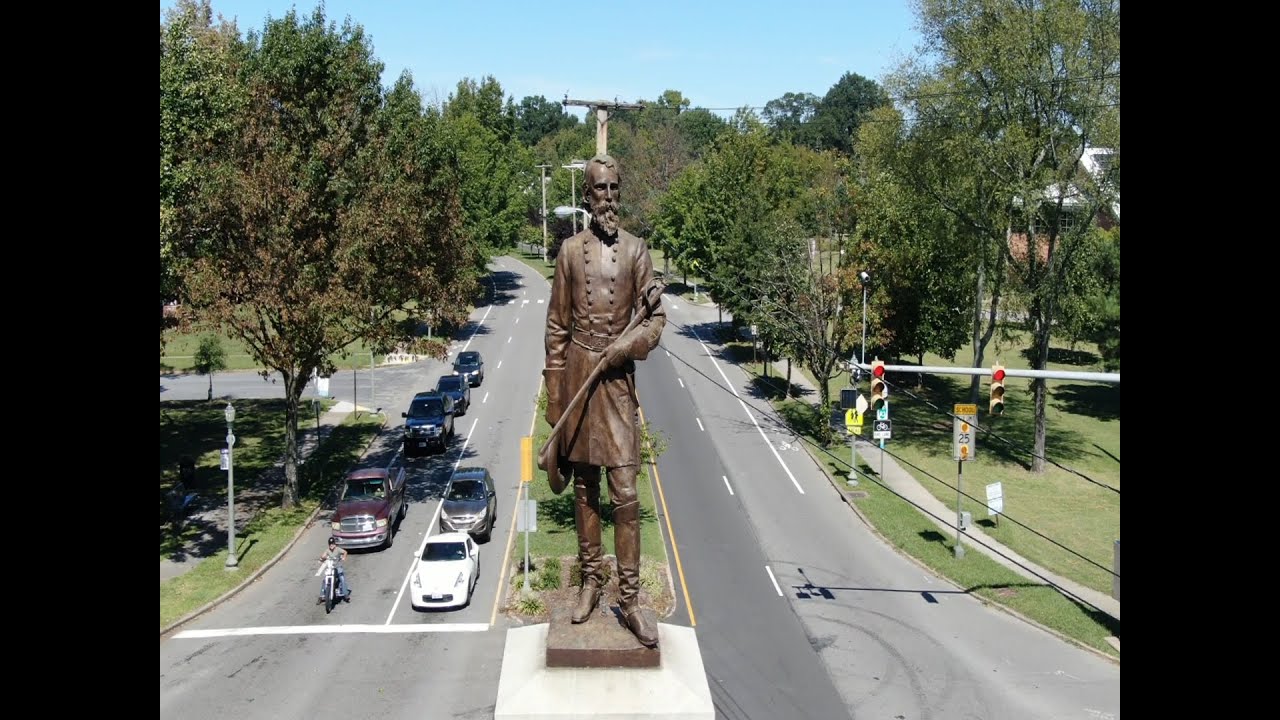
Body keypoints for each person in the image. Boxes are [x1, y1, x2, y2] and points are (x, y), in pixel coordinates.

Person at [543, 154, 666, 648]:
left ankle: (631, 599)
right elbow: (556, 328)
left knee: (626, 493)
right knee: (584, 489)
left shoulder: (637, 252)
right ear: (587, 197)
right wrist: (556, 401)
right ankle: (591, 580)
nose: (608, 198)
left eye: (615, 188)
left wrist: (627, 347)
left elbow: (656, 321)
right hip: (577, 376)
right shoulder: (570, 252)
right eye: (600, 190)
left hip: (616, 383)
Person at [318, 536, 351, 603]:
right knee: (325, 580)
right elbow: (323, 556)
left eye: (332, 544)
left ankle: (346, 595)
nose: (331, 545)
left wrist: (344, 557)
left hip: (338, 567)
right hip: (331, 568)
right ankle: (321, 596)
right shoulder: (327, 550)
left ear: (335, 544)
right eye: (330, 544)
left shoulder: (338, 549)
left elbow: (345, 552)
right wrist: (322, 558)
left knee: (342, 579)